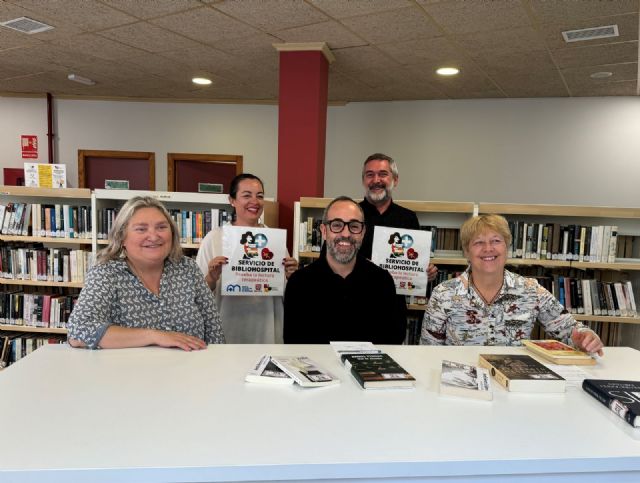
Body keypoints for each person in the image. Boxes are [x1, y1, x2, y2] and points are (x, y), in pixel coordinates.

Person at [420, 214, 604, 355]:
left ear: (507, 247)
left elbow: (570, 330)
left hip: (514, 383)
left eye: (496, 241)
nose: (488, 249)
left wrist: (584, 337)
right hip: (462, 385)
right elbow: (428, 352)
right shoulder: (443, 294)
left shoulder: (532, 290)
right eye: (478, 243)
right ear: (466, 252)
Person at [67, 196, 225, 350]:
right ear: (122, 237)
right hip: (129, 374)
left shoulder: (188, 269)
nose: (154, 236)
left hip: (191, 372)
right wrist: (154, 336)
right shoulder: (106, 274)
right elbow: (78, 332)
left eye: (161, 227)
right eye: (141, 229)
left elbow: (214, 330)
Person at [284, 196, 406, 344]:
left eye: (354, 226)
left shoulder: (382, 281)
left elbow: (393, 339)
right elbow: (294, 343)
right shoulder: (299, 283)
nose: (346, 234)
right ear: (324, 231)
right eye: (337, 225)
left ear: (362, 232)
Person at [196, 173, 298, 343]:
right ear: (232, 200)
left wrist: (292, 277)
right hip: (225, 331)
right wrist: (211, 278)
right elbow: (196, 295)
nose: (255, 201)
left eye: (260, 196)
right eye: (246, 195)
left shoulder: (274, 240)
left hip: (267, 330)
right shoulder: (214, 239)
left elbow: (287, 294)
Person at [359, 152, 437, 281]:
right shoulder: (349, 216)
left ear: (395, 180)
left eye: (383, 174)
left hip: (394, 299)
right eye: (370, 175)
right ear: (363, 181)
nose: (376, 180)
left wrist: (426, 273)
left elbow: (414, 261)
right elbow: (328, 258)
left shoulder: (408, 218)